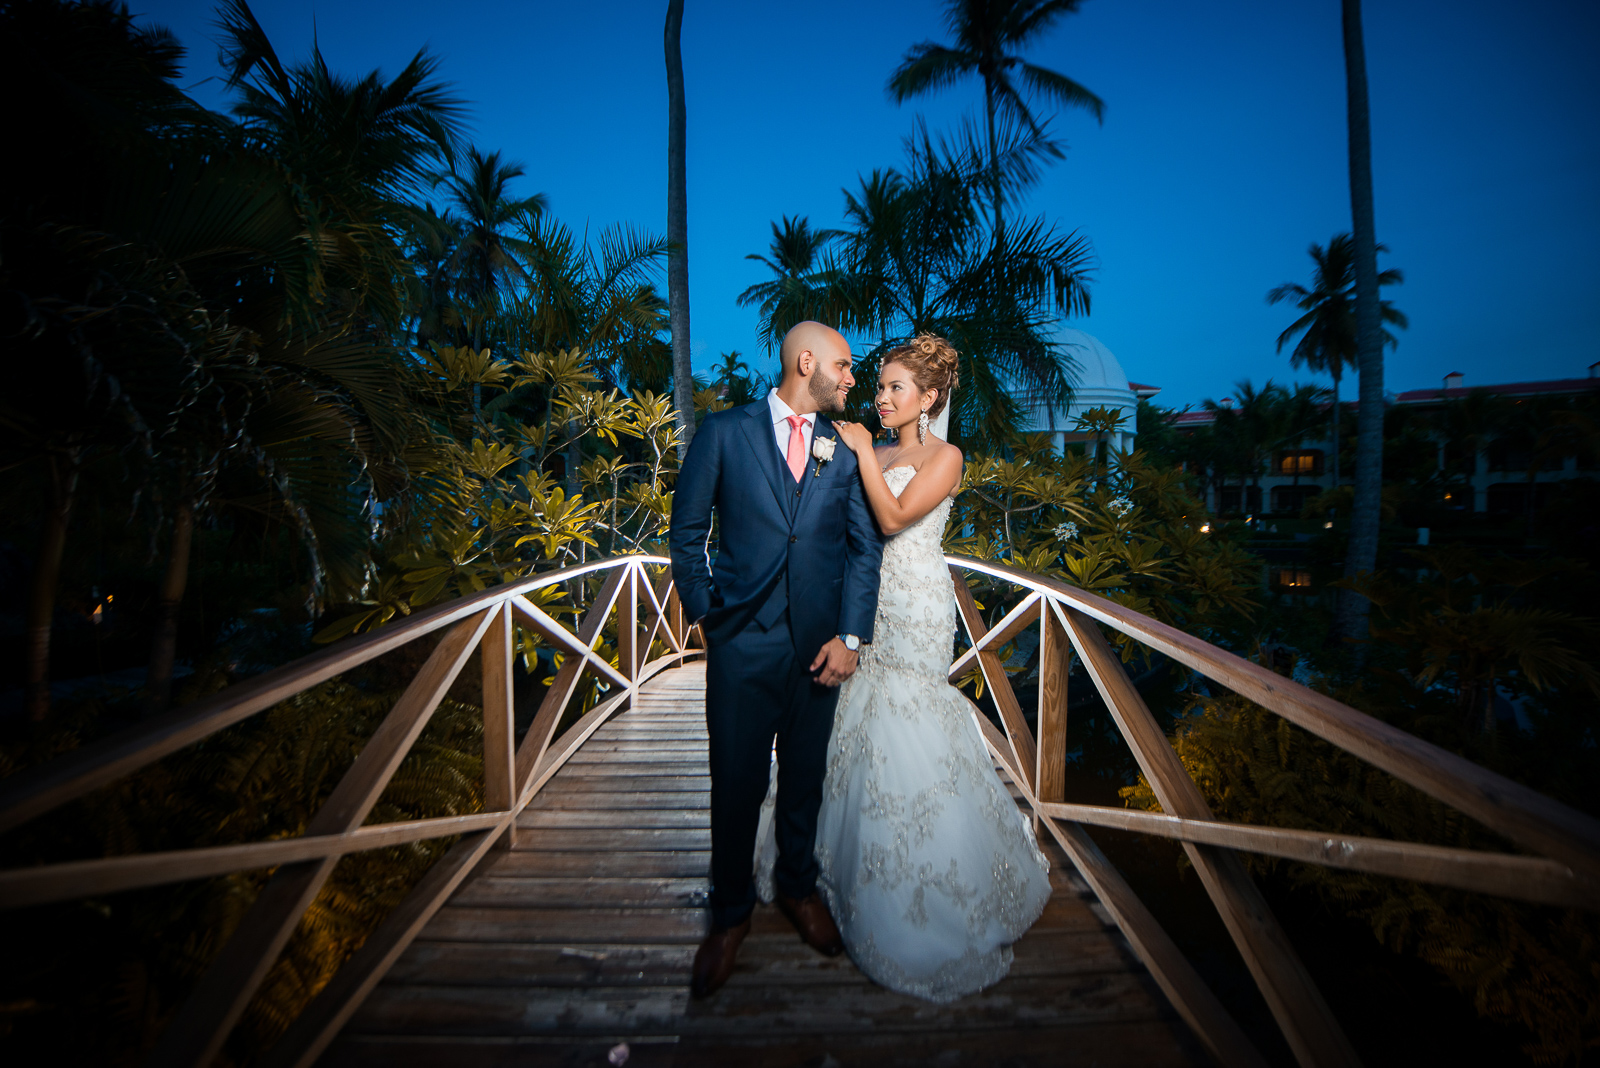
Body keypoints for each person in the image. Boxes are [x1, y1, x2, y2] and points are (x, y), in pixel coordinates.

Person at [801, 333, 1052, 1002]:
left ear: (930, 398)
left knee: (906, 717)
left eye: (895, 388)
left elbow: (891, 520)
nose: (881, 398)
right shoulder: (876, 449)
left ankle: (928, 893)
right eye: (878, 386)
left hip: (914, 606)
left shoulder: (946, 456)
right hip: (864, 602)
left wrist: (856, 452)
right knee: (858, 719)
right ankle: (849, 867)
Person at [669, 321, 886, 999]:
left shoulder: (844, 448)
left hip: (818, 649)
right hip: (742, 646)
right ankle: (729, 914)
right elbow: (686, 533)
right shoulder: (724, 433)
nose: (853, 379)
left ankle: (798, 889)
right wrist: (711, 616)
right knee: (734, 785)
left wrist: (850, 638)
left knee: (805, 781)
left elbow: (863, 549)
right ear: (806, 361)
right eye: (846, 366)